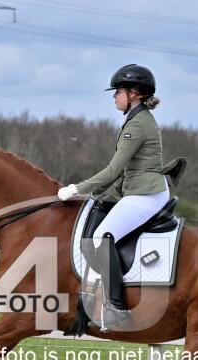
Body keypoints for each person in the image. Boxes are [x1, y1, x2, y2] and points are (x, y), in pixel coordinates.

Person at [57, 63, 170, 328]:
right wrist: (96, 193)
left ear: (134, 94)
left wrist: (77, 189)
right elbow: (124, 172)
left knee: (101, 237)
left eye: (118, 91)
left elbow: (113, 170)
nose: (114, 96)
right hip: (139, 190)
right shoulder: (135, 120)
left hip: (146, 194)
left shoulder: (137, 125)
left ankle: (117, 307)